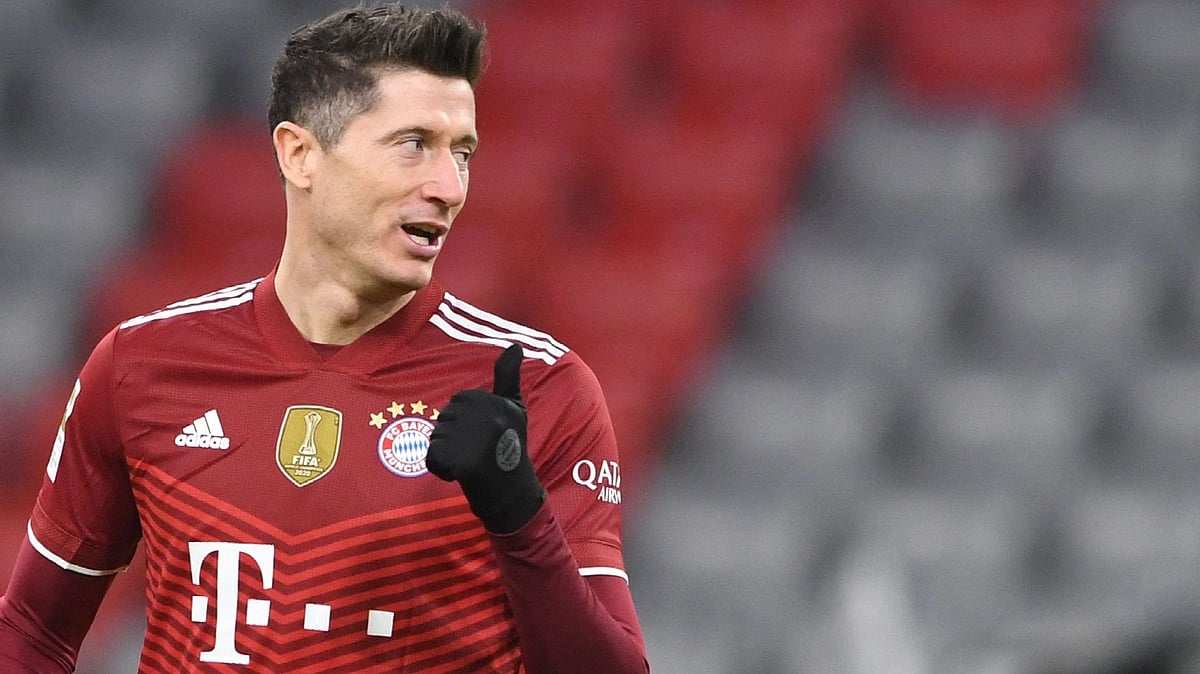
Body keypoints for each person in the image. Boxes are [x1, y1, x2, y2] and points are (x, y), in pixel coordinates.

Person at [0, 4, 649, 672]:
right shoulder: (141, 366)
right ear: (301, 154)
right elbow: (31, 628)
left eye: (463, 154)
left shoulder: (538, 390)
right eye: (413, 145)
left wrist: (518, 513)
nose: (449, 187)